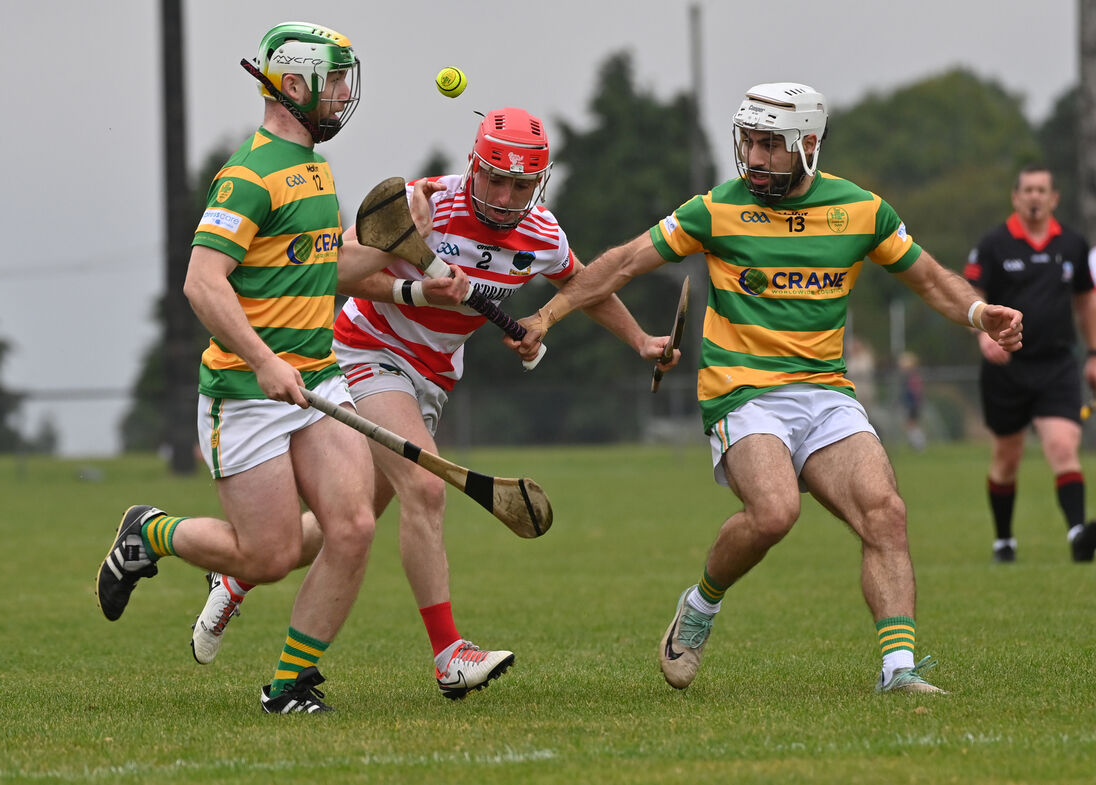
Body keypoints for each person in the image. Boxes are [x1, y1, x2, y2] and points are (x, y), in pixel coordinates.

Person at [513, 82, 1025, 695]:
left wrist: (978, 314)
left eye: (769, 145)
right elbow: (621, 263)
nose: (753, 158)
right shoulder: (715, 209)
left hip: (826, 391)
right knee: (776, 512)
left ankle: (898, 672)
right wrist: (547, 317)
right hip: (742, 389)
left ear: (807, 145)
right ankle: (701, 604)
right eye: (747, 143)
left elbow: (933, 279)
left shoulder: (861, 211)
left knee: (885, 513)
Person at [188, 106, 678, 699]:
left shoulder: (542, 234)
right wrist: (417, 289)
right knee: (425, 487)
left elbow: (583, 286)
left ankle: (236, 578)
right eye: (494, 179)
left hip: (433, 380)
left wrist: (625, 337)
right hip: (364, 351)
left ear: (539, 183)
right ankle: (448, 655)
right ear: (473, 165)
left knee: (348, 522)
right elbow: (335, 272)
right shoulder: (422, 204)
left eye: (520, 185)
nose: (503, 195)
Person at [96, 22, 452, 715]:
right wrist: (262, 361)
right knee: (268, 555)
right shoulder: (249, 175)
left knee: (351, 526)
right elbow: (203, 282)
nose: (346, 94)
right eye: (336, 79)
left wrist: (395, 251)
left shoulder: (315, 169)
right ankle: (150, 532)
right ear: (294, 85)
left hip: (315, 380)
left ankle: (290, 685)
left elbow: (325, 270)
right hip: (246, 393)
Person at [965, 165, 1096, 564]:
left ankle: (1077, 533)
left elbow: (1086, 301)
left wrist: (1093, 354)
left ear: (1054, 198)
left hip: (1057, 364)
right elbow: (971, 292)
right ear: (1016, 197)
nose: (1035, 197)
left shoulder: (1073, 244)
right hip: (1007, 368)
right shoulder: (993, 244)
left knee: (1061, 444)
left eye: (1042, 190)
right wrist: (984, 335)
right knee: (1007, 456)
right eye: (1028, 190)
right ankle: (1004, 540)